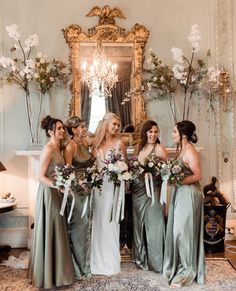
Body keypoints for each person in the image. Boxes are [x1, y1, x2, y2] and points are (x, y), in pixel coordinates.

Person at [27, 115, 75, 289]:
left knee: (58, 228)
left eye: (63, 128)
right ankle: (47, 276)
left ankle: (57, 273)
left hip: (57, 191)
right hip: (48, 193)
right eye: (59, 128)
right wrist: (57, 185)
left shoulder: (59, 147)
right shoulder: (48, 149)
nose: (62, 131)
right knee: (51, 227)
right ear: (50, 132)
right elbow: (40, 176)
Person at [163, 120, 205, 288]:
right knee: (176, 231)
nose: (172, 134)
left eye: (174, 132)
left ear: (184, 135)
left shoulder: (191, 152)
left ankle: (186, 272)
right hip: (180, 193)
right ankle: (180, 266)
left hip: (189, 194)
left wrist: (177, 180)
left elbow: (198, 175)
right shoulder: (183, 150)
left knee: (182, 233)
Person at [90, 112, 126, 275]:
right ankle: (97, 262)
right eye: (114, 124)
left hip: (113, 188)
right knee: (98, 222)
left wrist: (118, 171)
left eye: (118, 125)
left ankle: (111, 262)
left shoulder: (120, 144)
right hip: (98, 190)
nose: (117, 127)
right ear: (106, 125)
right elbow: (93, 167)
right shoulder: (96, 145)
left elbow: (124, 167)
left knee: (111, 222)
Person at [131, 120, 167, 272]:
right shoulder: (138, 147)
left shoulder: (160, 149)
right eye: (150, 131)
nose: (153, 134)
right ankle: (141, 259)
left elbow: (166, 173)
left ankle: (157, 262)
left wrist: (153, 174)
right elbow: (133, 168)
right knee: (139, 225)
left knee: (154, 225)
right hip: (138, 191)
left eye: (155, 132)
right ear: (145, 132)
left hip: (154, 190)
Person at [64, 116, 95, 279]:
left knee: (86, 227)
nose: (85, 129)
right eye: (82, 127)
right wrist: (80, 182)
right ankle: (77, 268)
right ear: (75, 129)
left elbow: (90, 162)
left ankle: (85, 265)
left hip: (88, 188)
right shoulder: (70, 146)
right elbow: (68, 171)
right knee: (78, 228)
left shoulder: (84, 143)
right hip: (76, 191)